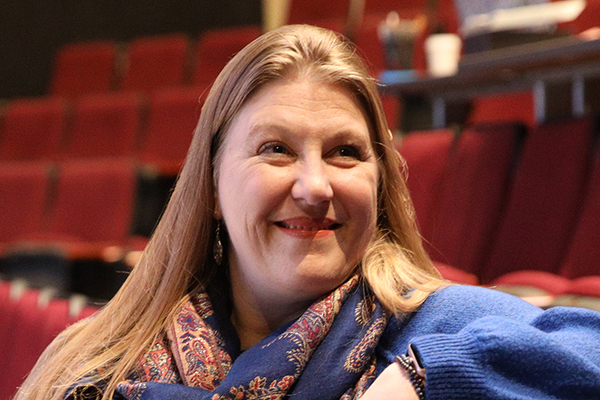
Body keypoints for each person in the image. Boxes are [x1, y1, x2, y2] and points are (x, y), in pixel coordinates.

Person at [15, 24, 600, 400]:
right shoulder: (99, 364)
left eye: (345, 152)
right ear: (212, 187)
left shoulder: (435, 326)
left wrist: (430, 375)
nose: (315, 186)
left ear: (380, 182)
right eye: (276, 149)